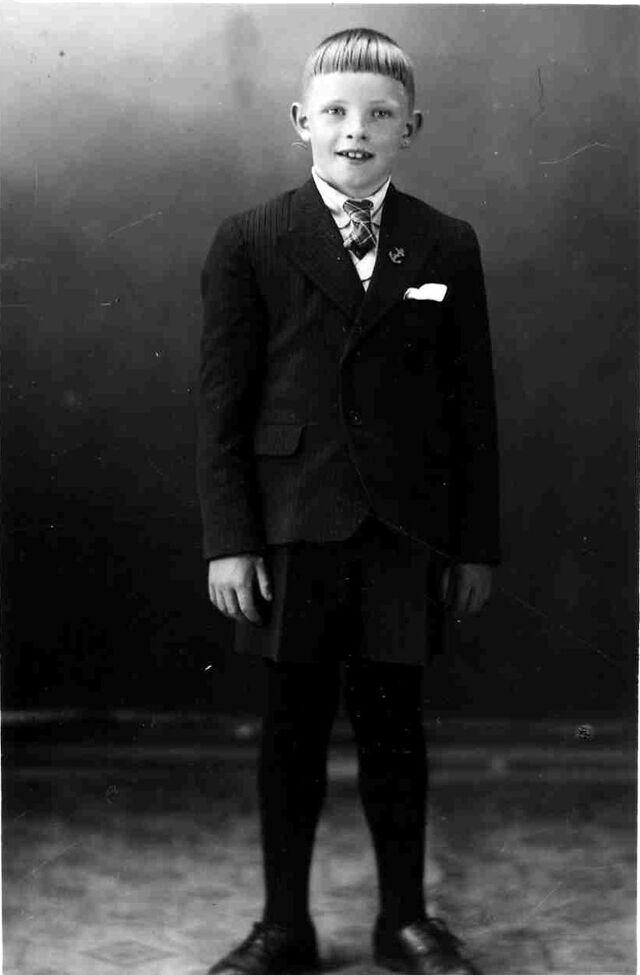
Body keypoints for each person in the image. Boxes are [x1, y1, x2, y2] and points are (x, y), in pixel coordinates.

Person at [197, 27, 500, 975]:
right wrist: (230, 538)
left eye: (378, 114)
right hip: (292, 522)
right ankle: (282, 925)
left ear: (412, 126)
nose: (354, 130)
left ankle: (403, 920)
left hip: (404, 530)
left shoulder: (445, 241)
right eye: (334, 111)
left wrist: (474, 545)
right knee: (291, 729)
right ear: (301, 121)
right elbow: (221, 406)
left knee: (394, 727)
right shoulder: (252, 238)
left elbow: (473, 410)